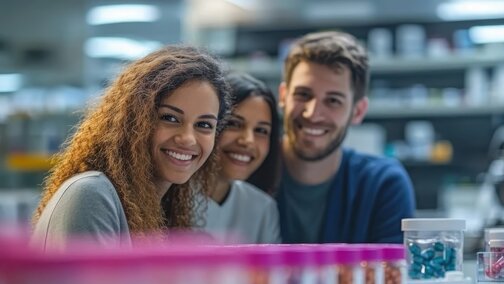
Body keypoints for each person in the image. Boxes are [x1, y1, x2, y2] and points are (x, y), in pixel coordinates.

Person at [31, 45, 231, 249]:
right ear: (133, 120)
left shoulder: (159, 206)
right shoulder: (91, 194)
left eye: (204, 125)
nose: (188, 139)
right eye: (169, 118)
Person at [276, 31, 415, 244]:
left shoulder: (382, 184)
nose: (312, 113)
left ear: (358, 111)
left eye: (332, 100)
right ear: (284, 96)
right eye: (303, 95)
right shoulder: (249, 172)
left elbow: (388, 274)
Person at [200, 72, 281, 244]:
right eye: (234, 124)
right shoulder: (167, 195)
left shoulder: (262, 209)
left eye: (261, 131)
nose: (248, 141)